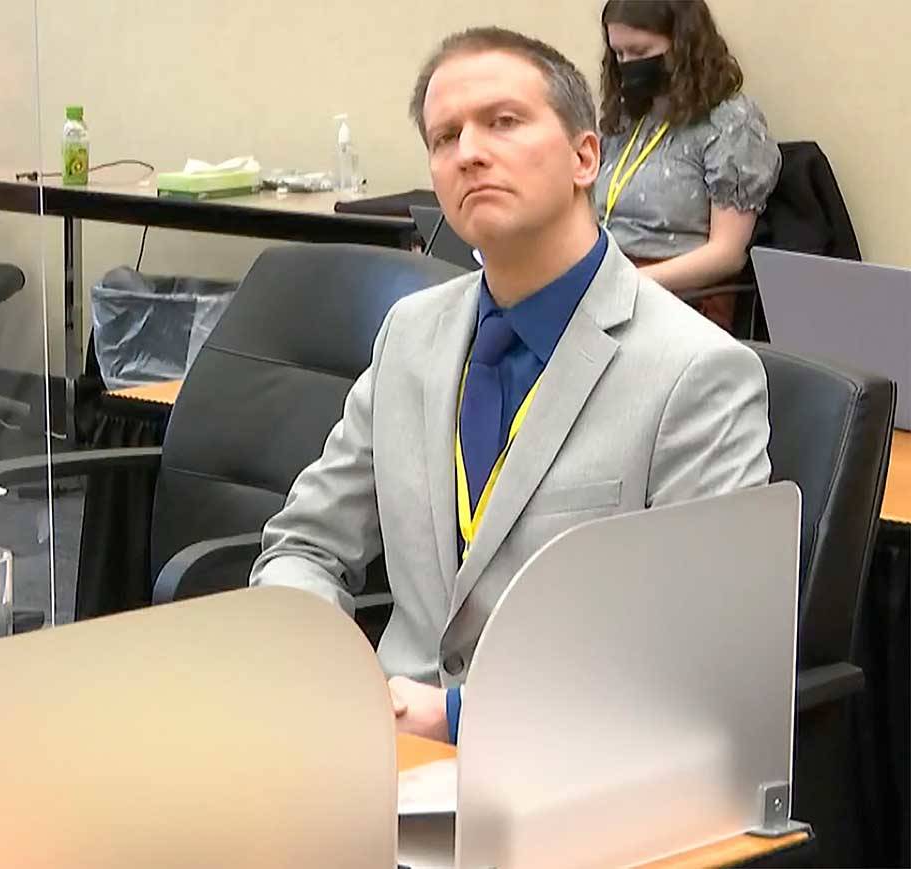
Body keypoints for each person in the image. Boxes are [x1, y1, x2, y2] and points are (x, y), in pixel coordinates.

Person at [248, 26, 771, 744]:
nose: (469, 152)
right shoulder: (410, 335)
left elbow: (701, 651)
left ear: (586, 155)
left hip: (575, 772)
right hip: (379, 754)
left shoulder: (696, 373)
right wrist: (327, 670)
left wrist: (459, 717)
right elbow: (303, 546)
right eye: (444, 137)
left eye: (503, 122)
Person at [595, 0, 782, 330]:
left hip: (680, 298)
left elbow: (727, 255)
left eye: (639, 52)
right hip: (609, 280)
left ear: (683, 47)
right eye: (620, 55)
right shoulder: (627, 119)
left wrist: (630, 284)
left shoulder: (730, 123)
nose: (628, 66)